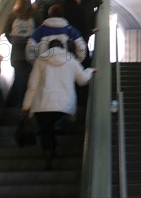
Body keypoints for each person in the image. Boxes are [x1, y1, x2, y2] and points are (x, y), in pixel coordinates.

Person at [21, 39, 96, 170]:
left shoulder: (40, 60)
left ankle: (48, 157)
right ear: (63, 48)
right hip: (64, 106)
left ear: (48, 48)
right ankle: (55, 148)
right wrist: (90, 70)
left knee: (46, 130)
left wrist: (26, 106)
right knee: (54, 126)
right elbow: (82, 80)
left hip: (42, 105)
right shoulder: (71, 60)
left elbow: (32, 86)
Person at [3, 0, 39, 107]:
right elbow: (39, 30)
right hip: (31, 50)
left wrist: (13, 41)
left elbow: (6, 31)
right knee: (30, 77)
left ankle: (16, 105)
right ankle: (27, 105)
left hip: (17, 52)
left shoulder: (12, 15)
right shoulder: (35, 14)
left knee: (18, 76)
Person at [61, 0, 102, 66]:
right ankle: (83, 71)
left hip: (69, 22)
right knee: (82, 47)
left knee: (69, 48)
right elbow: (94, 2)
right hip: (84, 24)